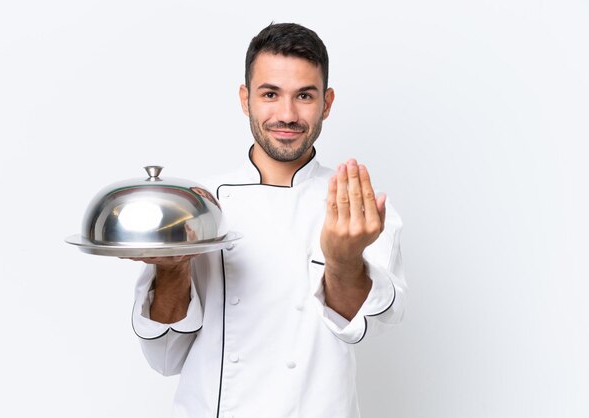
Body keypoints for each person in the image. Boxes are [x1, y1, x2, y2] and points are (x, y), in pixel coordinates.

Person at [130, 22, 406, 418]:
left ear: (327, 103)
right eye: (270, 94)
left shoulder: (356, 208)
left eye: (304, 96)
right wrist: (172, 272)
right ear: (245, 99)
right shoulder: (196, 207)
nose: (287, 114)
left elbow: (366, 325)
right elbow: (165, 356)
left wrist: (343, 259)